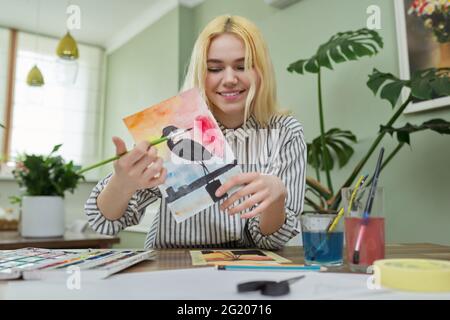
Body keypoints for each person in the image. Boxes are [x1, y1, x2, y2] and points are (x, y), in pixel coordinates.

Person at [85, 15, 307, 249]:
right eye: (214, 68)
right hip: (169, 267)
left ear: (262, 71)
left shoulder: (285, 132)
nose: (230, 79)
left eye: (242, 66)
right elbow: (103, 222)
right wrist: (122, 184)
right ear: (201, 72)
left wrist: (276, 199)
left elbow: (271, 240)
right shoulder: (171, 128)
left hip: (242, 270)